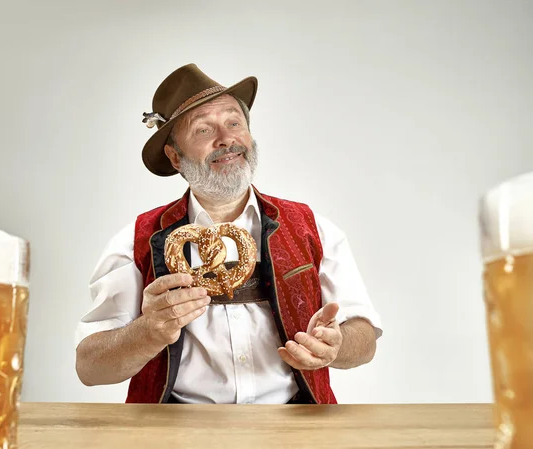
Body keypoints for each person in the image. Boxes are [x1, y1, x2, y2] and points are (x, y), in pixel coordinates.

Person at [75, 64, 383, 404]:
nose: (226, 139)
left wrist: (336, 345)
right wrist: (148, 331)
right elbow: (90, 367)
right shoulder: (137, 241)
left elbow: (364, 338)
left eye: (234, 123)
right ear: (175, 156)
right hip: (176, 432)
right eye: (204, 130)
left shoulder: (313, 229)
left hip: (295, 428)